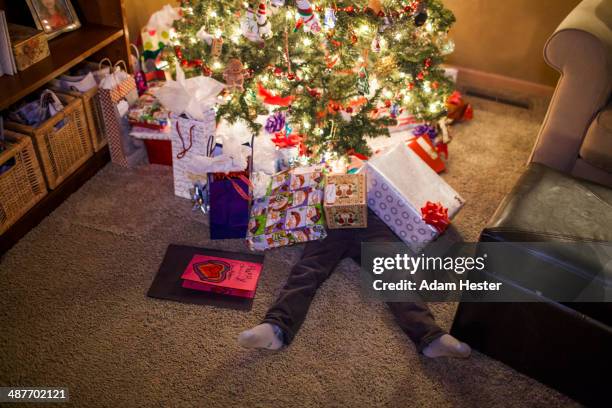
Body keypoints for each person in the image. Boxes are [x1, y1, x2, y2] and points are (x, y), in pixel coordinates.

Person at [238, 211, 471, 358]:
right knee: (307, 270)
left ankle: (429, 336)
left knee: (394, 273)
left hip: (376, 220)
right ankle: (275, 328)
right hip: (331, 218)